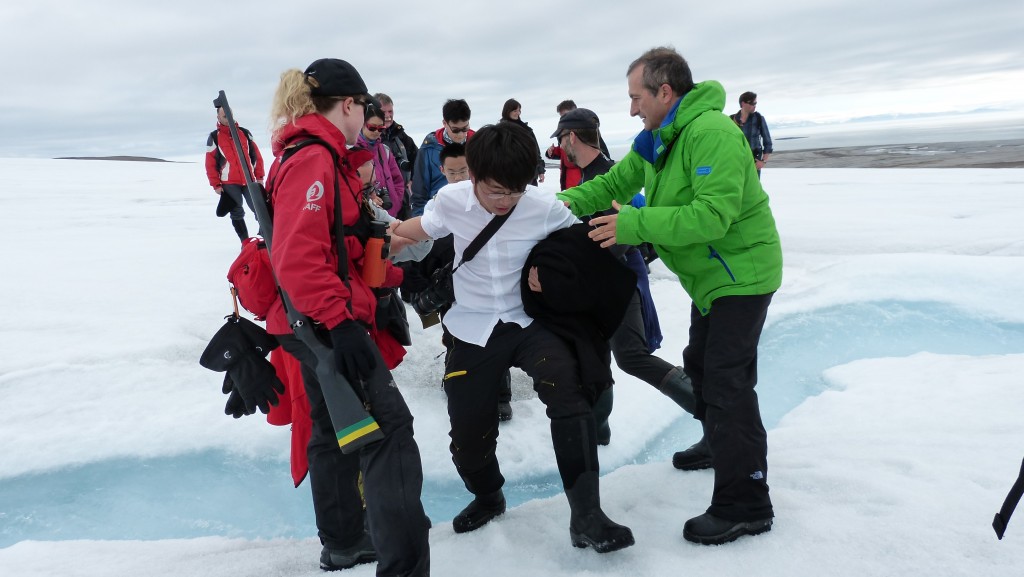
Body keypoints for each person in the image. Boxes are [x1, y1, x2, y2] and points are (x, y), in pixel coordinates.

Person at [557, 46, 783, 546]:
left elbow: (711, 216)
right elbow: (612, 184)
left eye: (636, 98)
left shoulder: (712, 134)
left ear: (664, 92)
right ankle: (718, 442)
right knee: (700, 366)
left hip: (743, 274)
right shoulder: (660, 138)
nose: (631, 109)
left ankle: (746, 503)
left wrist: (633, 224)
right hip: (711, 277)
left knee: (727, 383)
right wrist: (547, 208)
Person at [393, 122, 635, 554]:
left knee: (568, 390)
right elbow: (416, 232)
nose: (505, 201)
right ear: (474, 175)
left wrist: (557, 272)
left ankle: (587, 515)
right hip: (471, 327)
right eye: (496, 191)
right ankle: (489, 496)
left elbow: (581, 246)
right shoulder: (451, 201)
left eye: (515, 192)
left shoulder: (542, 205)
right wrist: (374, 245)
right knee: (468, 435)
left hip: (528, 322)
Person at [263, 57, 429, 576]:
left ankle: (343, 542)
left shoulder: (312, 154)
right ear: (349, 105)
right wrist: (339, 324)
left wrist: (392, 270)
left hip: (310, 319)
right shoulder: (314, 159)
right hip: (323, 323)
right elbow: (297, 258)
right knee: (389, 434)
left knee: (334, 429)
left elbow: (336, 246)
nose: (368, 118)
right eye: (365, 107)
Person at [550, 108, 703, 451]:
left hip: (619, 279)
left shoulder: (606, 175)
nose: (560, 147)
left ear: (571, 137)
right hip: (600, 281)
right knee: (592, 352)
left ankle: (711, 412)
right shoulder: (593, 174)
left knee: (632, 356)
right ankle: (597, 429)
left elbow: (621, 238)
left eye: (561, 139)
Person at [206, 102, 265, 242]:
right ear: (218, 117)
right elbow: (210, 163)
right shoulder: (214, 137)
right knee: (237, 212)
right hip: (229, 183)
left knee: (260, 209)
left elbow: (256, 155)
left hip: (249, 180)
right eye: (224, 116)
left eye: (230, 115)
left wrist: (259, 176)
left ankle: (268, 239)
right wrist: (216, 184)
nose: (228, 118)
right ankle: (245, 242)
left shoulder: (244, 133)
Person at [410, 99, 473, 216]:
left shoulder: (478, 145)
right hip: (439, 212)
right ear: (445, 123)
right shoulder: (429, 148)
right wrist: (420, 220)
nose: (461, 134)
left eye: (465, 128)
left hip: (472, 212)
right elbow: (419, 193)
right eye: (455, 130)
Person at [356, 104, 406, 217]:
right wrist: (369, 201)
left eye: (381, 128)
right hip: (365, 214)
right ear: (362, 124)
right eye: (372, 127)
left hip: (390, 213)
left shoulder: (385, 150)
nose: (376, 131)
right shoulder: (352, 150)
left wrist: (396, 202)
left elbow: (398, 180)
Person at [374, 93, 419, 216]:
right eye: (383, 112)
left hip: (404, 197)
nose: (388, 116)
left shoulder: (401, 135)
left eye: (390, 111)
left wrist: (413, 180)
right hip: (380, 200)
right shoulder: (371, 138)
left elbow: (417, 158)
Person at [499, 98, 545, 185]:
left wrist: (540, 170)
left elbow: (535, 151)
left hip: (530, 175)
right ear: (507, 111)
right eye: (515, 111)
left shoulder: (527, 130)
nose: (518, 113)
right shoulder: (500, 130)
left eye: (519, 110)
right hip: (510, 176)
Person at [730, 91, 772, 177]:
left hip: (754, 162)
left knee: (753, 186)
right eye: (752, 103)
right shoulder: (731, 120)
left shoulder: (759, 118)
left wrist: (763, 161)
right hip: (736, 161)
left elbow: (768, 143)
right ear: (743, 103)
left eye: (755, 103)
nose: (754, 105)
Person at [545, 100, 582, 191]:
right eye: (562, 116)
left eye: (566, 115)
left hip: (581, 179)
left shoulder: (586, 130)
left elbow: (600, 154)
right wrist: (553, 151)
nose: (563, 119)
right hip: (567, 179)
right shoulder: (563, 131)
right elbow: (564, 152)